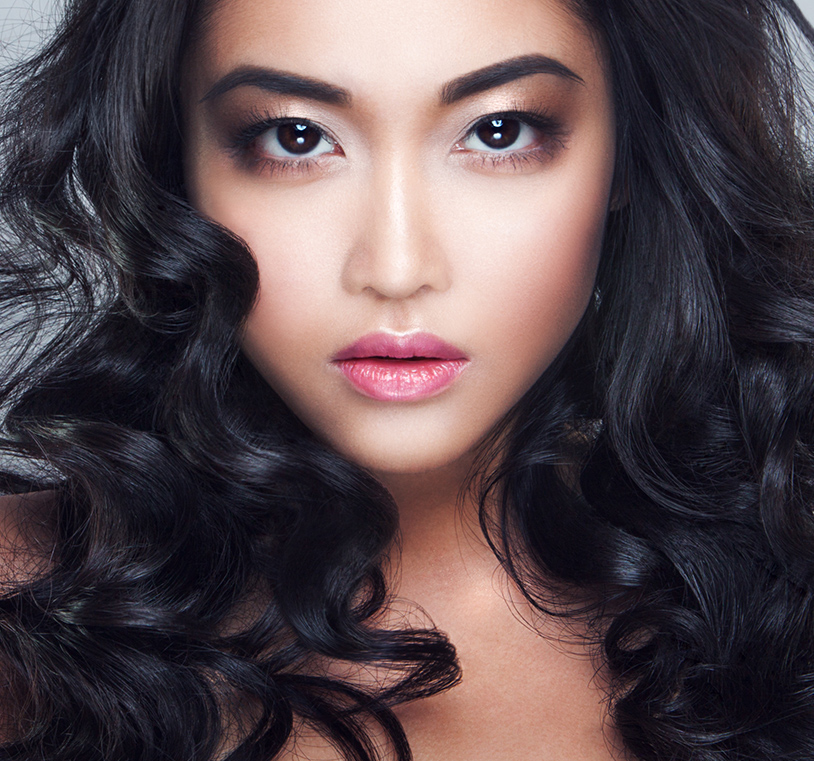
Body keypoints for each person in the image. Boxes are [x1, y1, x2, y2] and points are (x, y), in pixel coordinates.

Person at [0, 0, 813, 758]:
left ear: (629, 153)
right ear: (177, 163)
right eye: (295, 137)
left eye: (498, 131)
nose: (395, 266)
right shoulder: (26, 610)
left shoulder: (780, 602)